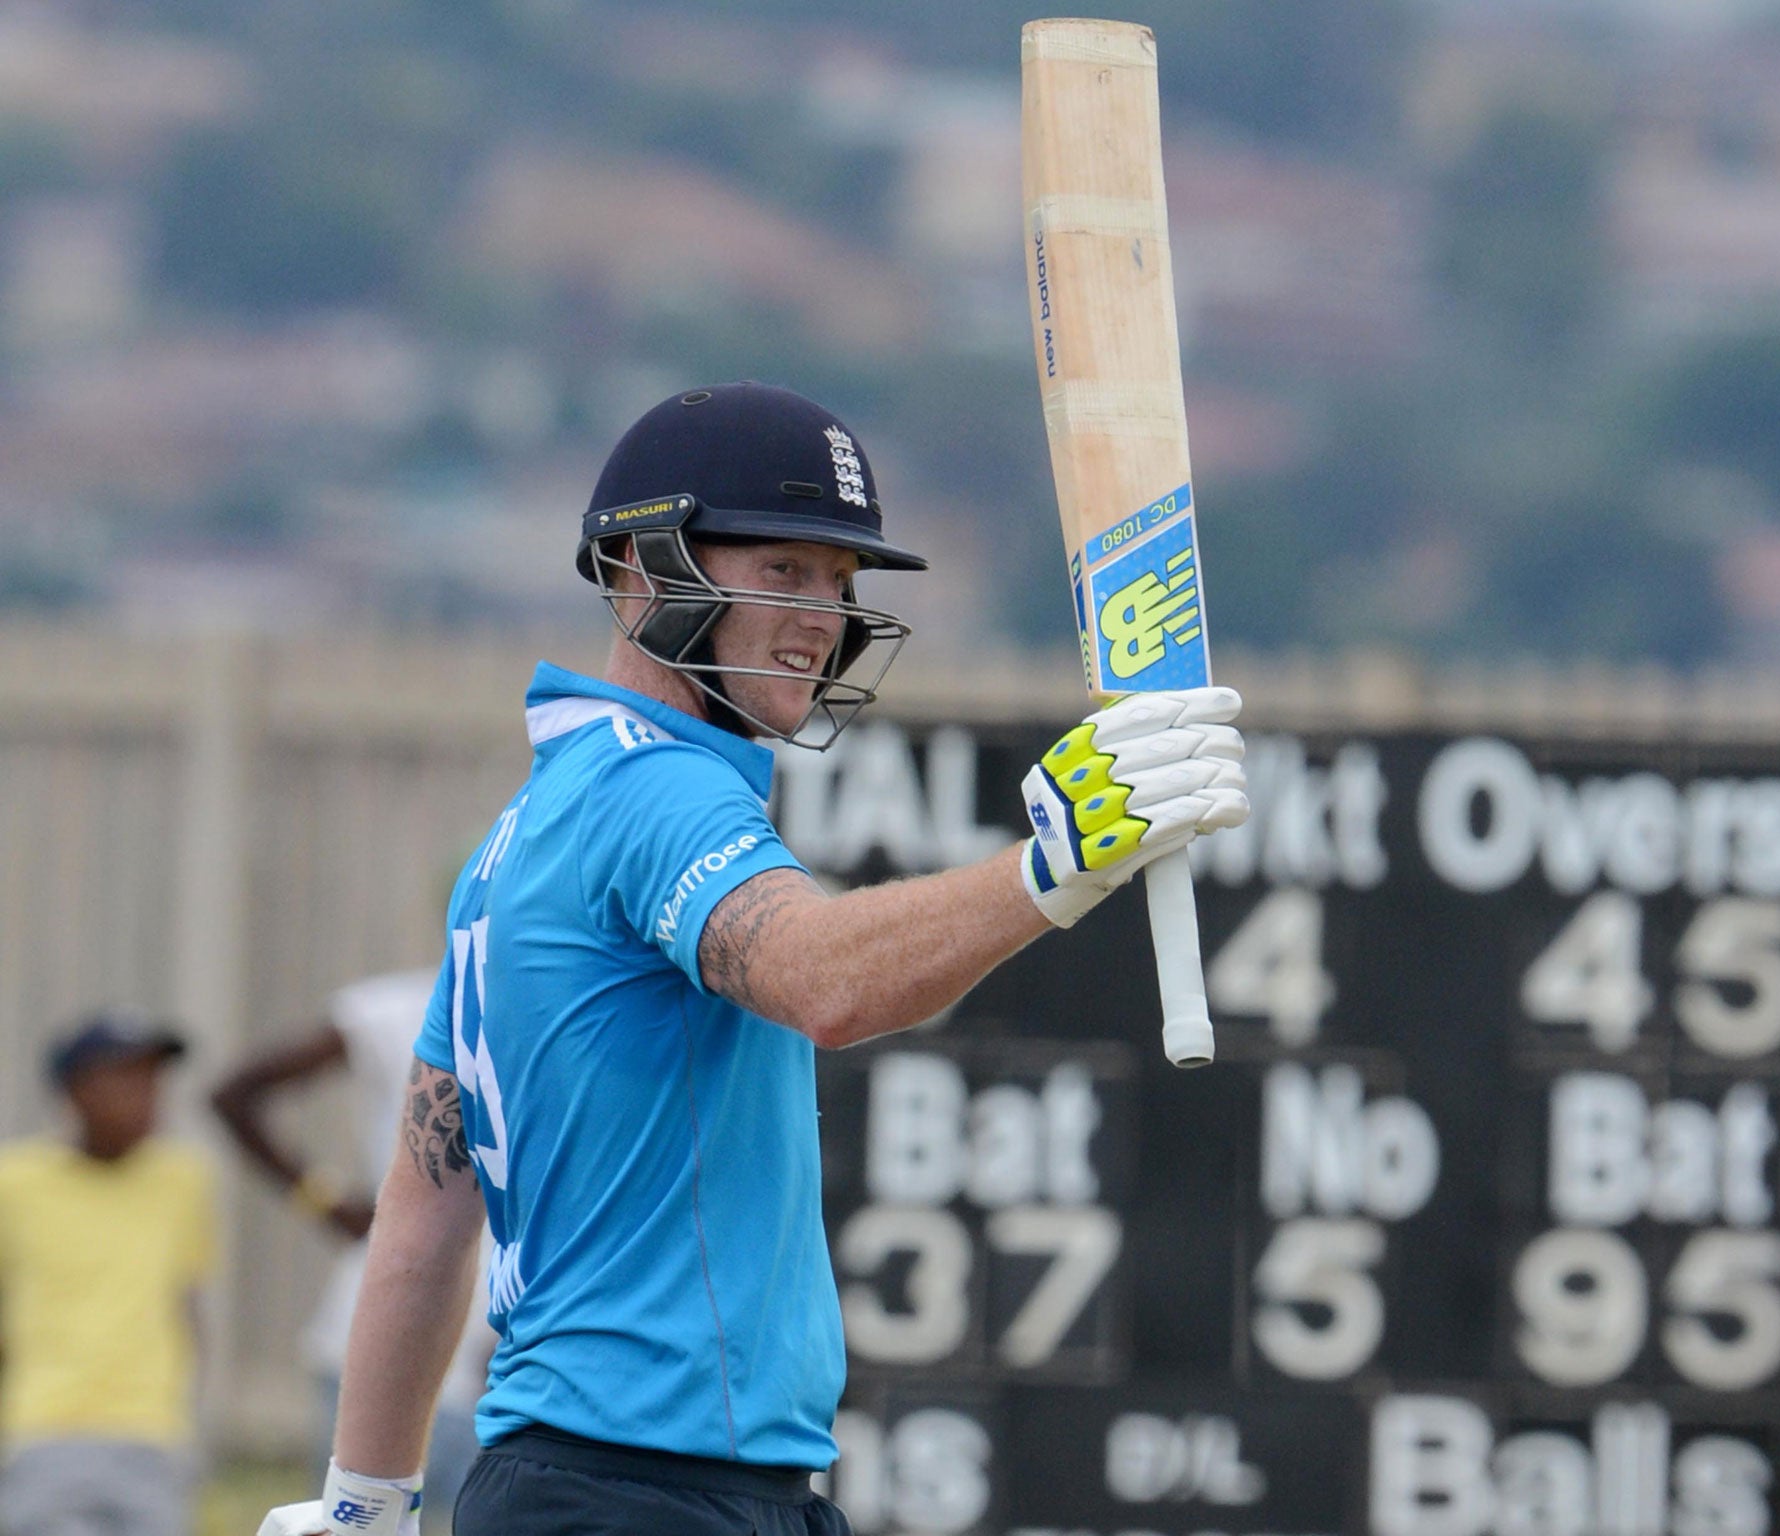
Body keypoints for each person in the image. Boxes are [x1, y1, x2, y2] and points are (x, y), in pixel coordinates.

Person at [257, 381, 1249, 1536]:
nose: (820, 615)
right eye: (779, 569)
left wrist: (362, 1502)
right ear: (636, 568)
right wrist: (1052, 866)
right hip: (643, 1492)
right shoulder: (654, 788)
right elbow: (822, 980)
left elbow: (425, 1213)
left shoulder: (518, 837)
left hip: (599, 1485)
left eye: (836, 582)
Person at [211, 969, 497, 1531]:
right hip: (386, 1336)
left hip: (499, 1344)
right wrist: (326, 1201)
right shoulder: (397, 1009)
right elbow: (236, 1091)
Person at [0, 1013, 219, 1536]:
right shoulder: (18, 1182)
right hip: (46, 1428)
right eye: (124, 1080)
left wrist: (191, 1412)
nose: (145, 1096)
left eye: (152, 1082)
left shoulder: (182, 1178)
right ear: (74, 1093)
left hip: (154, 1431)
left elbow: (184, 1300)